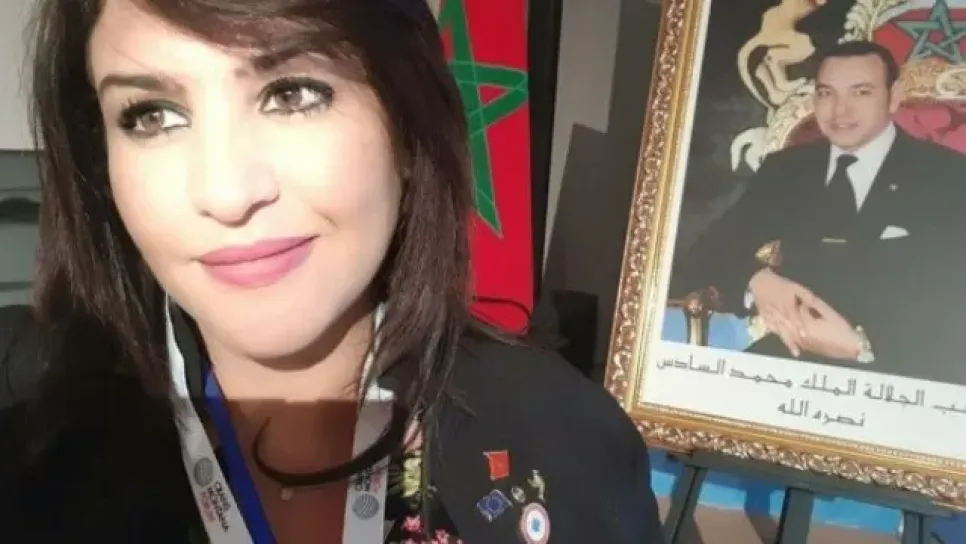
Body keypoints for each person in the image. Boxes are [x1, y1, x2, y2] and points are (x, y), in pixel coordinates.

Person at [0, 0, 665, 542]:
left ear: (405, 124)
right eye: (153, 115)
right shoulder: (32, 455)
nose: (227, 193)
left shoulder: (568, 437)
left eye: (293, 93)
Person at [673, 40, 966, 384]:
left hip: (909, 367)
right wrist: (757, 282)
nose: (840, 111)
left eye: (861, 92)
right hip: (793, 359)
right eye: (827, 94)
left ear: (894, 96)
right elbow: (706, 252)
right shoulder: (788, 169)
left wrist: (861, 347)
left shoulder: (949, 176)